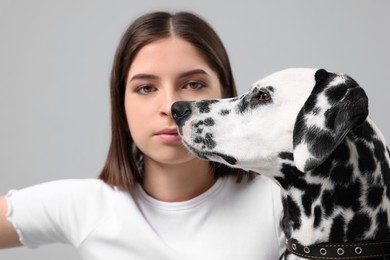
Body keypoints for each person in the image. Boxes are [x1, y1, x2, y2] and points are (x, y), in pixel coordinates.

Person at [0, 11, 285, 259]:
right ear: (121, 105)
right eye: (146, 88)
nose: (171, 107)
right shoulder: (87, 208)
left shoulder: (281, 201)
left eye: (194, 84)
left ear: (225, 95)